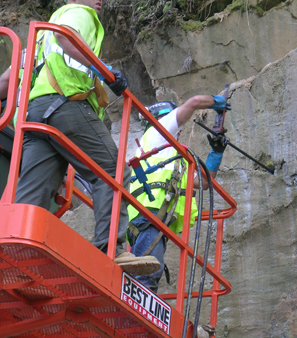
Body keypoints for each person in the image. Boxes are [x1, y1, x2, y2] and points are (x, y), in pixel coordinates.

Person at [13, 0, 160, 275]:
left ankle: (16, 252)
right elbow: (66, 35)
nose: (100, 1)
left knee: (34, 189)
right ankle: (110, 250)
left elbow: (7, 82)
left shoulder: (38, 37)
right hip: (66, 106)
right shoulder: (79, 13)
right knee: (111, 170)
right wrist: (105, 69)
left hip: (34, 115)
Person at [127, 95, 229, 292]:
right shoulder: (157, 134)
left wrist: (216, 152)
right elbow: (193, 103)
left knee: (149, 271)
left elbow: (205, 182)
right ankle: (138, 316)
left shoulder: (168, 158)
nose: (180, 130)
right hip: (149, 216)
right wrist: (216, 102)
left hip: (155, 219)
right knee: (147, 274)